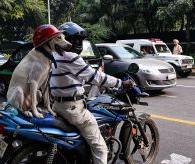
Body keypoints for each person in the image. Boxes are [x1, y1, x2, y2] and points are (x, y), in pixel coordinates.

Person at [49, 22, 133, 164]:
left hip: (57, 105)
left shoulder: (54, 55)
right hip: (73, 108)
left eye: (80, 40)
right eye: (76, 40)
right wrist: (120, 83)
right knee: (100, 147)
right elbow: (96, 77)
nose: (79, 43)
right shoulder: (70, 56)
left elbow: (73, 78)